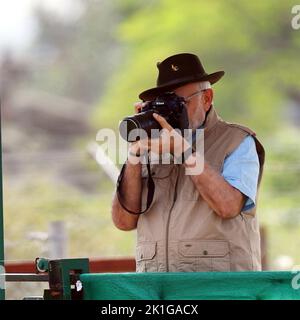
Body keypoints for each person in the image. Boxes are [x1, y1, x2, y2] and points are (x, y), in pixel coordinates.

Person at [111, 53, 265, 272]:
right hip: (158, 292)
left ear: (207, 98)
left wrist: (185, 153)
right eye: (164, 105)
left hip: (220, 289)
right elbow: (123, 221)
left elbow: (229, 206)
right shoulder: (151, 146)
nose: (172, 112)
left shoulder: (237, 140)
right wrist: (134, 154)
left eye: (179, 103)